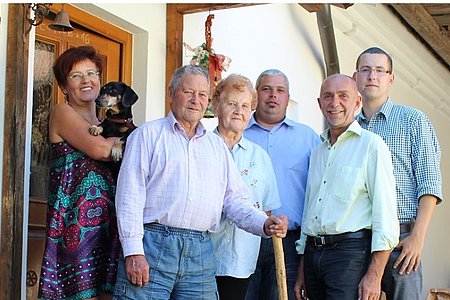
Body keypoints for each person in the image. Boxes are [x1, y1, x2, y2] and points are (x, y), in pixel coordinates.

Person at [112, 65, 288, 299]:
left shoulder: (216, 147)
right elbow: (129, 199)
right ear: (171, 93)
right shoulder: (147, 135)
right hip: (153, 245)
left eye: (202, 94)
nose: (196, 100)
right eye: (188, 92)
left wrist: (265, 224)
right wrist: (133, 252)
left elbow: (235, 201)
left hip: (201, 252)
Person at [294, 74, 399, 300]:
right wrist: (303, 268)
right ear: (319, 103)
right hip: (313, 255)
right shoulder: (317, 152)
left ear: (357, 102)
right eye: (328, 96)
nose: (335, 103)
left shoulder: (372, 146)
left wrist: (375, 275)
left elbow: (386, 215)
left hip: (349, 255)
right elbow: (309, 211)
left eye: (343, 96)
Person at [354, 47, 443, 299]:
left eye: (380, 70)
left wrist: (417, 237)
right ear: (356, 78)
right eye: (365, 70)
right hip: (357, 239)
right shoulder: (350, 128)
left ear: (390, 79)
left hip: (401, 239)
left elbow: (430, 183)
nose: (372, 76)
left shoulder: (413, 120)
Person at [38, 46, 121, 300]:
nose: (86, 80)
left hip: (111, 226)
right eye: (76, 76)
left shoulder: (109, 124)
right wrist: (120, 144)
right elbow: (99, 150)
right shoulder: (63, 113)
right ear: (64, 87)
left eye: (91, 73)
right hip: (75, 228)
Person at [245, 69, 320, 300]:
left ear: (288, 97)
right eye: (266, 89)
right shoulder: (237, 133)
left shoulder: (308, 138)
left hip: (290, 243)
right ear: (256, 95)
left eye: (280, 90)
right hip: (243, 238)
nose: (273, 95)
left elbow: (318, 193)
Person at [210, 74, 281, 300]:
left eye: (245, 105)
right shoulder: (201, 148)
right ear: (216, 106)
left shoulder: (260, 158)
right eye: (231, 103)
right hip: (201, 258)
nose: (238, 110)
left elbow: (266, 211)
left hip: (242, 261)